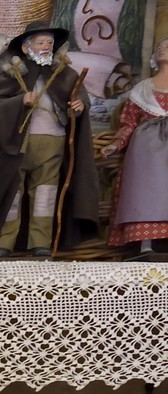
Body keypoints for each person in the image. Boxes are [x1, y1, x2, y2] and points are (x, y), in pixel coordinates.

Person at [0, 21, 99, 257]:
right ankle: (4, 242)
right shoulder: (13, 74)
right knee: (12, 194)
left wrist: (78, 107)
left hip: (53, 143)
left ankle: (41, 241)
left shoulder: (65, 74)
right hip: (18, 145)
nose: (46, 46)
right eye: (40, 42)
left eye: (50, 42)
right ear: (26, 48)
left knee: (45, 193)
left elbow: (79, 102)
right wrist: (19, 102)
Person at [102, 37, 168, 258]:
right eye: (160, 47)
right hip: (146, 149)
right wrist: (115, 144)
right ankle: (145, 243)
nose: (163, 49)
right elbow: (129, 122)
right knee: (144, 192)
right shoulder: (142, 88)